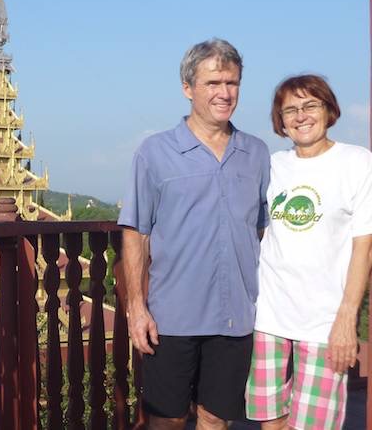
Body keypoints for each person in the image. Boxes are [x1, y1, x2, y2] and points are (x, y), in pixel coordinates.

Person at [118, 38, 270, 429]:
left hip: (235, 316)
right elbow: (136, 231)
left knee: (216, 421)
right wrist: (137, 308)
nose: (224, 93)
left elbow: (261, 229)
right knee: (165, 421)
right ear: (188, 88)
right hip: (171, 317)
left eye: (232, 83)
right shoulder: (154, 153)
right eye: (213, 83)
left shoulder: (256, 153)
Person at [245, 75, 372, 430]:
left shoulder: (357, 163)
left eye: (310, 105)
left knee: (313, 425)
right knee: (270, 420)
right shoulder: (273, 165)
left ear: (329, 110)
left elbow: (364, 246)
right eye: (290, 110)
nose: (301, 116)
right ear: (280, 121)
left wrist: (347, 319)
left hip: (324, 321)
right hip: (267, 317)